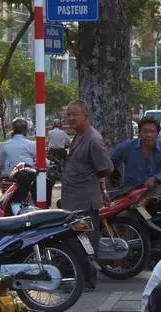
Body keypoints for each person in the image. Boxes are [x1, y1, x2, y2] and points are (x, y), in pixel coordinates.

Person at [60, 99, 113, 291]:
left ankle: (88, 282)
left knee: (86, 244)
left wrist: (93, 180)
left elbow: (106, 167)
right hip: (72, 200)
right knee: (74, 242)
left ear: (86, 116)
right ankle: (78, 279)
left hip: (85, 202)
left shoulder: (93, 139)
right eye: (69, 115)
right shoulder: (78, 137)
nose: (71, 118)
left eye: (75, 115)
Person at [109, 116, 161, 204]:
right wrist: (113, 174)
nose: (148, 135)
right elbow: (108, 160)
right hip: (131, 193)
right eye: (145, 131)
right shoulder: (128, 146)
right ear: (139, 133)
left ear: (157, 134)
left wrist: (155, 178)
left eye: (152, 132)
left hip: (155, 193)